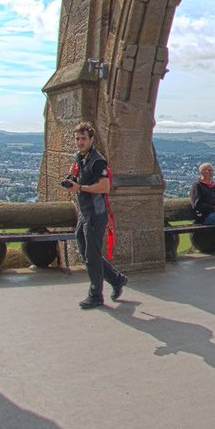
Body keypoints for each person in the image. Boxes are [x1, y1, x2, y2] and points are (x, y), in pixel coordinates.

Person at [67, 122, 127, 309]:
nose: (80, 142)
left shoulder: (97, 160)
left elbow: (104, 186)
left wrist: (80, 188)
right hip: (84, 212)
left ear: (91, 139)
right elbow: (76, 177)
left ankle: (96, 295)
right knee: (89, 253)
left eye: (83, 139)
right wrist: (71, 180)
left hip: (95, 213)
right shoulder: (79, 158)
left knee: (91, 255)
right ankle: (116, 279)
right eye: (77, 139)